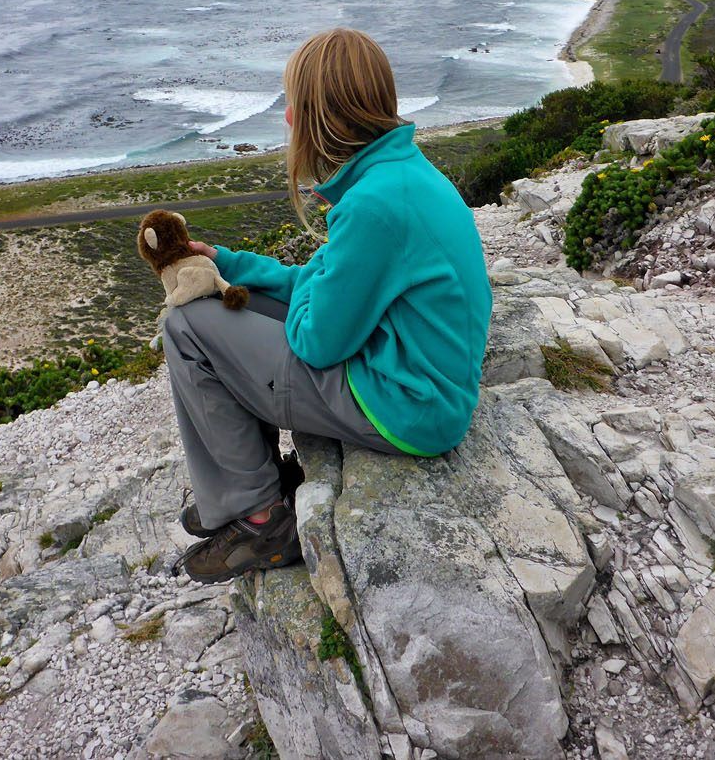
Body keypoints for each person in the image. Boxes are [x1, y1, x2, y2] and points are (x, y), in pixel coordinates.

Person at [163, 28, 493, 583]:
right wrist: (232, 266)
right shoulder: (400, 175)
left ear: (321, 118)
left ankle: (259, 513)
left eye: (295, 106)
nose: (287, 119)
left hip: (407, 405)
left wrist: (303, 286)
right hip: (415, 377)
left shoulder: (371, 208)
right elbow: (323, 282)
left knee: (188, 325)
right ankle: (243, 487)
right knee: (232, 301)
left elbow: (317, 340)